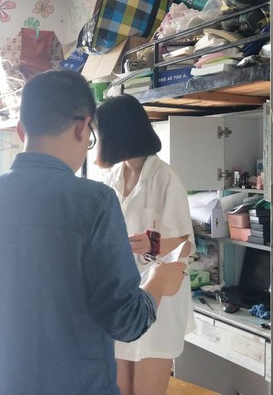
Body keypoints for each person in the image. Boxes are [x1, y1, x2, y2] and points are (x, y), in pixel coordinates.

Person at [0, 71, 186, 395]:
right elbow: (127, 321)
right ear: (82, 127)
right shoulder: (95, 202)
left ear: (21, 130)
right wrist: (158, 281)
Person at [95, 95, 196, 395]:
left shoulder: (166, 178)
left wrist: (152, 243)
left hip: (159, 299)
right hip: (122, 294)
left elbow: (186, 245)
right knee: (120, 388)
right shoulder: (113, 176)